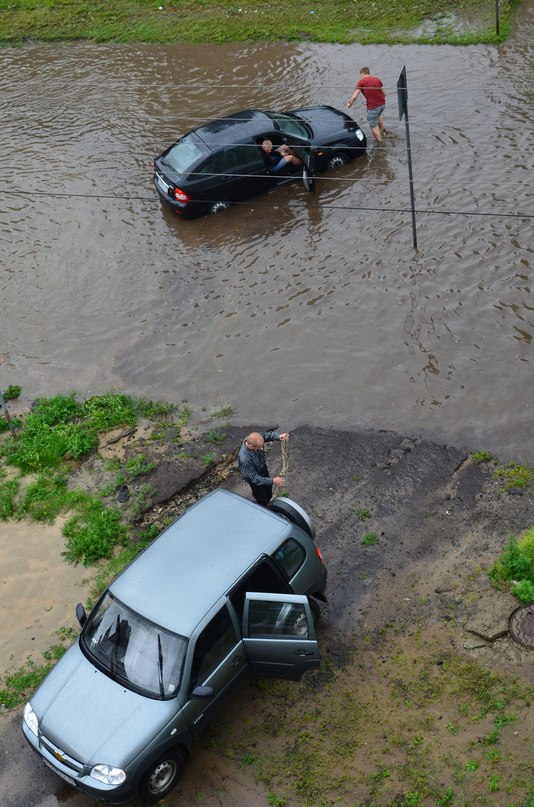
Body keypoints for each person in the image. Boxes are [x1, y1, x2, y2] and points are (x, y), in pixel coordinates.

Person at [238, 430, 289, 506]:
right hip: (252, 476)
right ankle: (263, 506)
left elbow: (266, 436)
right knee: (260, 495)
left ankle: (269, 500)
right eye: (259, 448)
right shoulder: (245, 458)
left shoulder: (256, 438)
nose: (261, 448)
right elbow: (254, 478)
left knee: (268, 487)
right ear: (251, 446)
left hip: (261, 467)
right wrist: (273, 480)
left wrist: (278, 437)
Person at [347, 67, 386, 143]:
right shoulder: (377, 79)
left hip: (373, 107)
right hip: (382, 105)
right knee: (379, 115)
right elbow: (384, 93)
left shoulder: (362, 82)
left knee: (373, 126)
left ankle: (380, 142)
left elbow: (355, 96)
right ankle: (382, 130)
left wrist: (350, 103)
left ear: (362, 74)